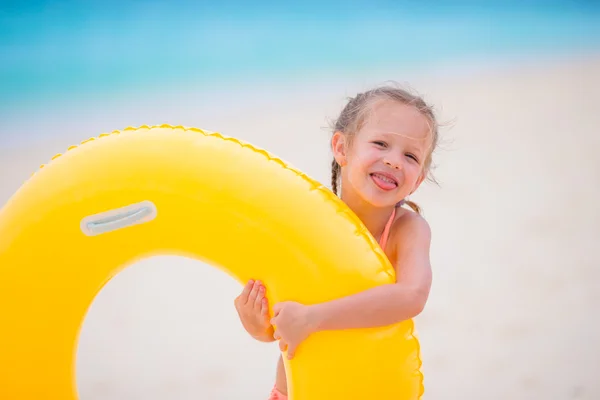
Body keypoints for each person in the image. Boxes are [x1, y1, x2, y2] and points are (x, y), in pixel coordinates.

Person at [233, 84, 440, 399]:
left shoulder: (406, 230)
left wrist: (313, 318)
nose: (395, 161)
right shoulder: (308, 222)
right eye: (381, 143)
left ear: (418, 180)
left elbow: (412, 296)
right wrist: (256, 322)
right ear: (342, 148)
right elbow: (282, 321)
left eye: (410, 156)